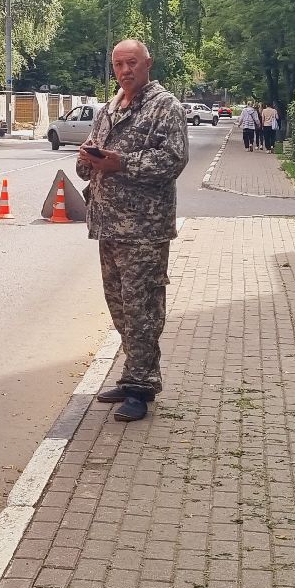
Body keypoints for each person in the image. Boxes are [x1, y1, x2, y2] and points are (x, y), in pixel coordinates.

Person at [75, 39, 188, 423]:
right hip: (108, 224)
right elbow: (94, 157)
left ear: (148, 64)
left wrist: (120, 163)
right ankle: (132, 375)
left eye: (132, 63)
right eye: (119, 64)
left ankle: (141, 386)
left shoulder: (164, 106)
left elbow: (172, 160)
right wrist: (87, 160)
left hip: (144, 227)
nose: (125, 71)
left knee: (143, 308)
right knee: (120, 306)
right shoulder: (109, 107)